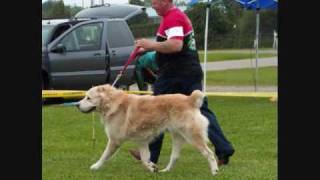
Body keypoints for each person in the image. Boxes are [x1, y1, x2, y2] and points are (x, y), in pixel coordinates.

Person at [129, 0, 235, 166]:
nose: (153, 6)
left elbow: (176, 45)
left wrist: (150, 44)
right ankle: (224, 148)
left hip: (176, 73)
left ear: (166, 1)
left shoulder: (173, 18)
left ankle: (150, 155)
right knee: (200, 109)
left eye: (155, 3)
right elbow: (172, 42)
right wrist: (149, 49)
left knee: (155, 110)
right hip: (187, 70)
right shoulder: (174, 16)